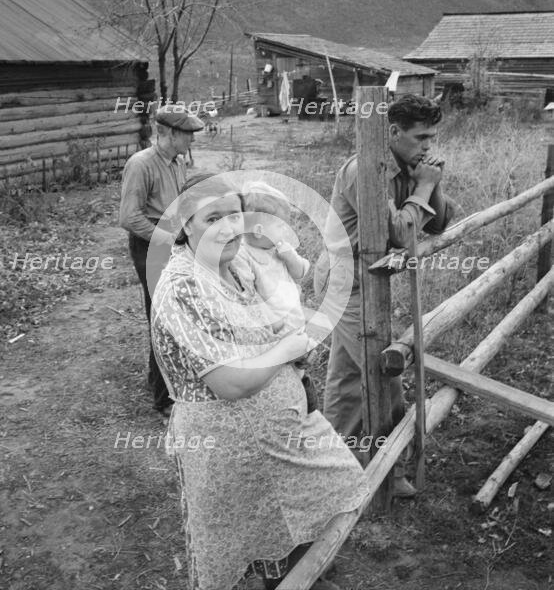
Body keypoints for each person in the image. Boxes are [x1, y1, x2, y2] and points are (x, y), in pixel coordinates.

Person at [151, 173, 369, 590]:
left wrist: (282, 336)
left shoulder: (230, 266)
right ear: (185, 225)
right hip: (227, 441)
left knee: (288, 511)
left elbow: (252, 332)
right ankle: (294, 578)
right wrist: (287, 350)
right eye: (213, 218)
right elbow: (230, 383)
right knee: (249, 528)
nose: (229, 227)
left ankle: (299, 575)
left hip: (271, 428)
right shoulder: (183, 287)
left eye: (235, 215)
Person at [315, 94, 455, 497]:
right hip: (344, 284)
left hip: (367, 281)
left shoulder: (408, 165)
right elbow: (396, 231)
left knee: (346, 380)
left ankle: (333, 469)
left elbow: (438, 223)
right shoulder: (365, 168)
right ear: (393, 132)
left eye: (432, 137)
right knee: (383, 375)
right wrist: (424, 185)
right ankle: (388, 476)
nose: (428, 146)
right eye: (420, 137)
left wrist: (431, 182)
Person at [119, 104, 204, 416]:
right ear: (168, 134)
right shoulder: (141, 164)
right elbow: (129, 217)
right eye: (188, 134)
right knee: (162, 317)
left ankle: (167, 380)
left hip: (170, 244)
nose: (192, 140)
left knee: (177, 313)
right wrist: (168, 239)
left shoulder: (177, 161)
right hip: (149, 247)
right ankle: (163, 399)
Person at [242, 180, 318, 413]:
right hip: (275, 335)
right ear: (259, 231)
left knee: (302, 378)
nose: (286, 231)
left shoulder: (280, 248)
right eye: (280, 226)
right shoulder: (244, 256)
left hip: (295, 326)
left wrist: (290, 258)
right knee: (286, 384)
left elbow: (302, 272)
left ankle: (306, 412)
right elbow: (251, 302)